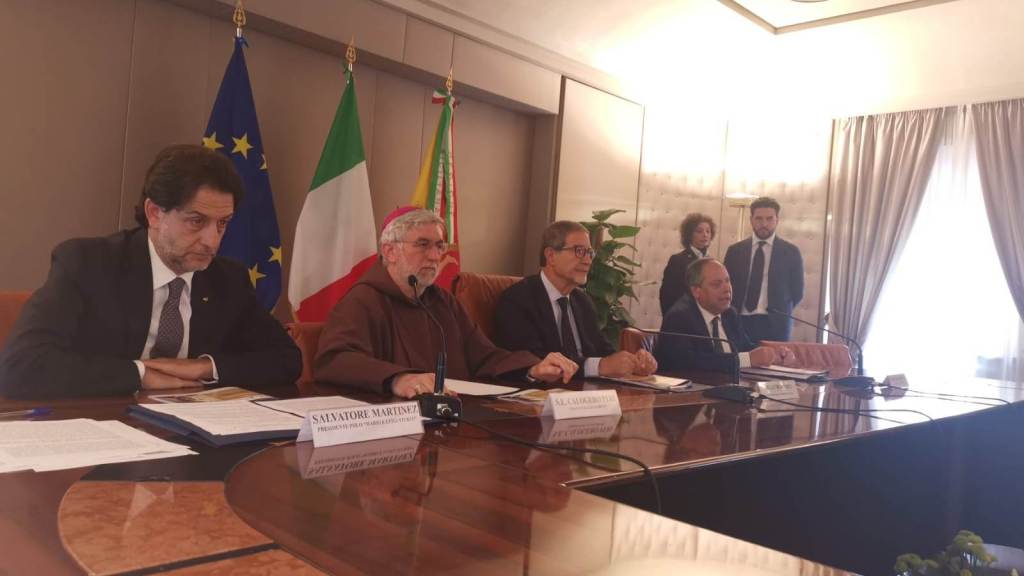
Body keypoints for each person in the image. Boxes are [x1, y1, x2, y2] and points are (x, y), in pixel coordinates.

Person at [0, 144, 302, 398]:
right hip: (101, 423)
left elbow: (287, 359)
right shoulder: (88, 264)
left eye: (222, 223)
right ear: (155, 213)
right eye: (196, 221)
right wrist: (140, 374)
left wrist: (204, 367)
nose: (212, 241)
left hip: (193, 430)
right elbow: (20, 366)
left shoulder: (227, 279)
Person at [314, 207, 578, 398]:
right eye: (423, 245)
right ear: (390, 251)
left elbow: (483, 355)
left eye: (439, 246)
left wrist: (533, 367)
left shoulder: (442, 302)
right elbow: (334, 360)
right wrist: (398, 379)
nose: (434, 256)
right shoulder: (363, 299)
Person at [495, 221, 657, 379]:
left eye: (590, 253)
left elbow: (603, 351)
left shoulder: (582, 300)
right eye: (579, 251)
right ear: (551, 256)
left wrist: (633, 362)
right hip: (545, 393)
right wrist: (599, 366)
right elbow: (533, 361)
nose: (587, 260)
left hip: (588, 392)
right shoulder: (518, 299)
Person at [654, 258, 791, 374]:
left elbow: (744, 347)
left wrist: (773, 354)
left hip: (732, 388)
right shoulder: (679, 317)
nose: (727, 289)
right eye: (717, 284)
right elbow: (688, 363)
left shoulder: (729, 313)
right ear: (696, 291)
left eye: (727, 281)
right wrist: (746, 359)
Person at [723, 197, 803, 342]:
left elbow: (797, 292)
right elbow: (725, 285)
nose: (764, 224)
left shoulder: (791, 252)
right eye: (759, 218)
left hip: (775, 324)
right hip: (739, 320)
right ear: (751, 220)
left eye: (769, 219)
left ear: (777, 220)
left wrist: (780, 308)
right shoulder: (735, 251)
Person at [659, 212, 717, 315]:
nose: (705, 235)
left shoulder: (713, 262)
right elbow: (667, 295)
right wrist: (671, 319)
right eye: (699, 231)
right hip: (683, 315)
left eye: (708, 231)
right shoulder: (678, 260)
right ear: (689, 235)